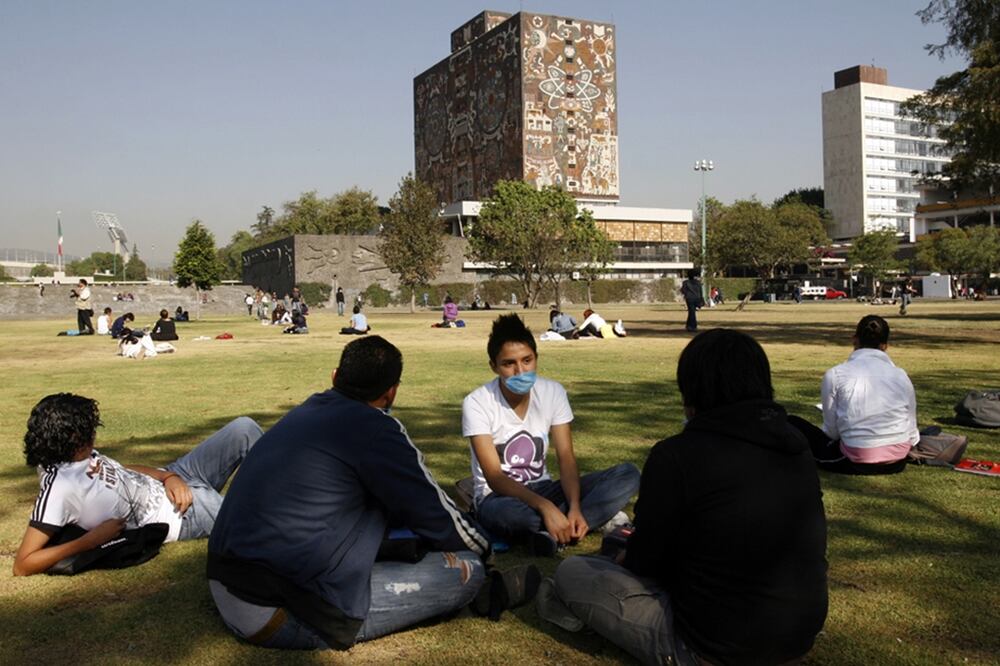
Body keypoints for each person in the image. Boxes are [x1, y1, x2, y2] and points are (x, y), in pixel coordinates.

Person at [207, 336, 534, 650]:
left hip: (224, 580)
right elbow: (435, 514)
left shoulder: (305, 412)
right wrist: (485, 550)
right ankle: (487, 590)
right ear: (391, 393)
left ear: (335, 376)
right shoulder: (377, 429)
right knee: (467, 570)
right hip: (279, 609)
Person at [542, 329, 828, 665]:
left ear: (693, 390)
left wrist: (628, 556)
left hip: (711, 646)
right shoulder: (794, 443)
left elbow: (647, 560)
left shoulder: (678, 456)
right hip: (797, 634)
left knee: (574, 571)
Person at [13, 393, 262, 576]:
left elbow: (122, 471)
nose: (94, 435)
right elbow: (23, 564)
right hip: (181, 513)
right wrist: (90, 540)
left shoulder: (78, 454)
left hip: (176, 475)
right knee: (258, 516)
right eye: (89, 431)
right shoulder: (59, 487)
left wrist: (168, 477)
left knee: (244, 428)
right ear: (71, 437)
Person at [462, 314, 640, 556]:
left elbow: (566, 458)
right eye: (509, 363)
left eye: (527, 360)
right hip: (499, 497)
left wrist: (575, 506)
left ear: (536, 358)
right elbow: (494, 477)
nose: (520, 371)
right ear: (494, 366)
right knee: (514, 516)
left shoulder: (552, 392)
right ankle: (576, 520)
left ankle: (563, 525)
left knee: (628, 474)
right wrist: (546, 507)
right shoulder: (477, 402)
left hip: (544, 488)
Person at [799, 315, 918, 475]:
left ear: (855, 340)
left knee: (794, 423)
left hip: (856, 458)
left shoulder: (836, 374)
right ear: (885, 346)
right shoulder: (901, 375)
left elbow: (832, 433)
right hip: (898, 459)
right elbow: (912, 430)